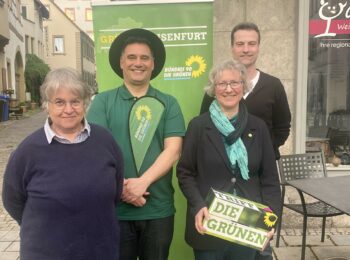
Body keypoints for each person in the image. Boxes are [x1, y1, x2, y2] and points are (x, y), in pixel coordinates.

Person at [2, 67, 124, 260]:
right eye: (59, 102)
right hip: (46, 253)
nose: (68, 109)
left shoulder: (105, 141)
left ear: (85, 104)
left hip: (99, 250)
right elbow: (12, 201)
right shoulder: (28, 150)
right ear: (46, 105)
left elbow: (115, 192)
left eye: (75, 101)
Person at [87, 28, 186, 260]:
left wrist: (142, 183)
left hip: (158, 210)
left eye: (144, 58)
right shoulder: (103, 102)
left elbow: (173, 150)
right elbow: (95, 151)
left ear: (153, 63)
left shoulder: (168, 103)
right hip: (115, 210)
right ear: (121, 62)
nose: (138, 63)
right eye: (131, 57)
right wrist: (123, 189)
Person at [177, 59, 281, 260]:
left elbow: (270, 181)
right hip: (210, 224)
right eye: (222, 84)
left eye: (235, 83)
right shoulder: (198, 126)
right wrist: (199, 205)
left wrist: (270, 221)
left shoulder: (258, 128)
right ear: (213, 89)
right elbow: (185, 173)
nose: (228, 89)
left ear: (243, 87)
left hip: (248, 225)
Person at [200, 22, 291, 160]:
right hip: (222, 165)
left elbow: (282, 128)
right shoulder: (217, 87)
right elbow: (204, 126)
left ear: (258, 47)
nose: (246, 49)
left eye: (252, 44)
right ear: (232, 47)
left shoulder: (273, 86)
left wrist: (260, 150)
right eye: (240, 44)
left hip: (262, 168)